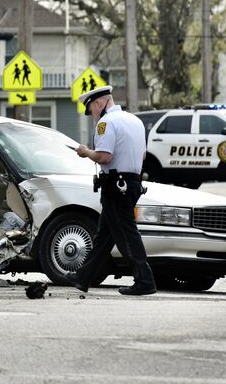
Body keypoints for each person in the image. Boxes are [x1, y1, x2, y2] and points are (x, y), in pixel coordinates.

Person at [66, 85, 157, 296]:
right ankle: (83, 277)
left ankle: (145, 280)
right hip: (132, 183)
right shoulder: (135, 121)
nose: (92, 116)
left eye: (91, 111)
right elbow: (142, 156)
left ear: (99, 103)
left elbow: (105, 157)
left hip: (115, 185)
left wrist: (86, 152)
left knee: (127, 234)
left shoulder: (106, 123)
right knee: (104, 235)